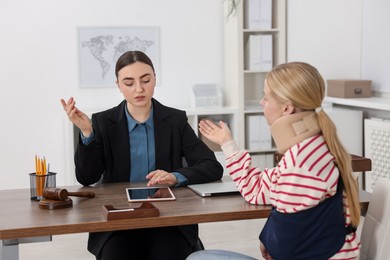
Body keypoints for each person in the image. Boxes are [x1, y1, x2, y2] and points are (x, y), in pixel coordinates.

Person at [188, 62, 361, 259]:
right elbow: (257, 189)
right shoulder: (309, 149)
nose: (262, 102)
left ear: (286, 108)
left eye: (266, 97)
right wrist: (227, 144)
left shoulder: (302, 162)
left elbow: (286, 241)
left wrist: (267, 239)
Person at [61, 50, 223, 260]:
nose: (139, 89)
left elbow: (211, 165)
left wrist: (176, 176)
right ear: (118, 85)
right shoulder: (102, 122)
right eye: (129, 83)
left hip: (168, 218)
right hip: (118, 221)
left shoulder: (175, 120)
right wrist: (87, 133)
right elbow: (86, 177)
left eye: (145, 80)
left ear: (154, 79)